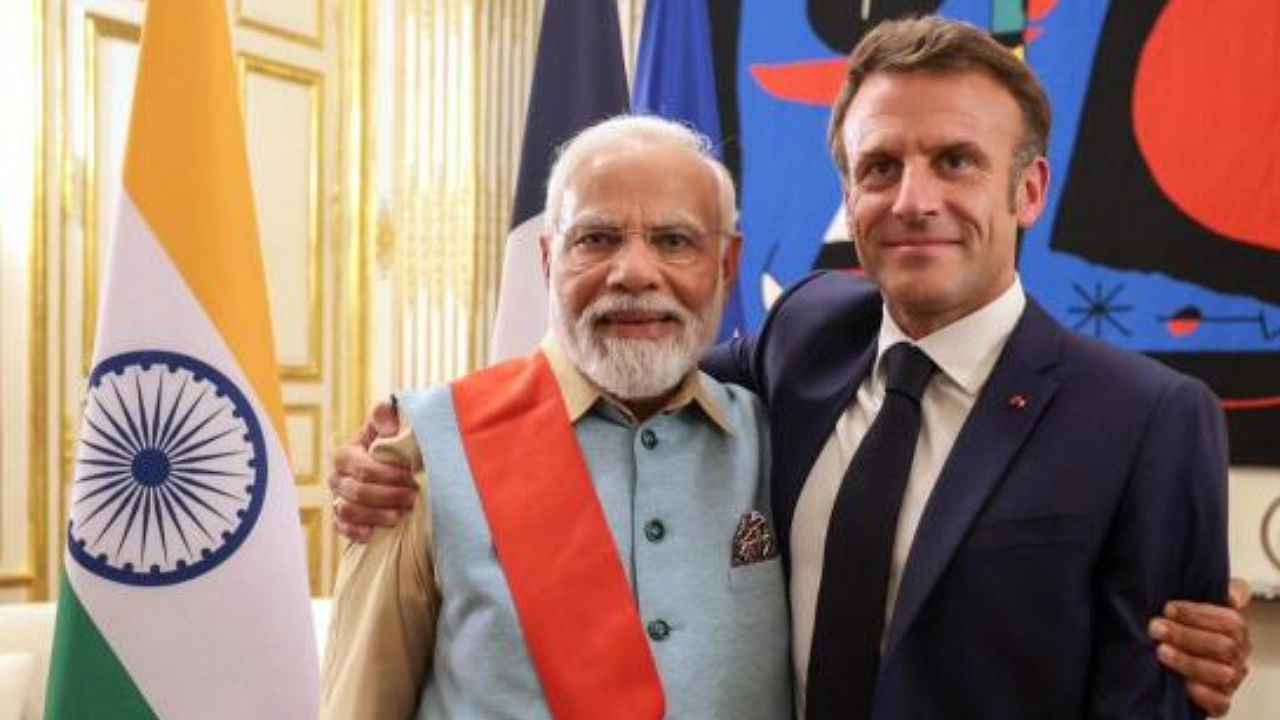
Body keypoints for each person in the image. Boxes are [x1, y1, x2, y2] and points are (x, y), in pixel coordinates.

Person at [328, 16, 1253, 718]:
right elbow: (633, 345)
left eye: (957, 161)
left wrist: (1205, 662)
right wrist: (405, 437)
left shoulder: (1148, 418)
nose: (914, 198)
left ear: (1029, 189)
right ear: (848, 194)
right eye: (880, 166)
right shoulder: (804, 336)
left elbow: (1167, 680)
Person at [321, 116, 791, 719]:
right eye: (596, 239)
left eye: (675, 240)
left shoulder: (779, 441)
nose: (634, 273)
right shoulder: (428, 448)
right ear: (548, 260)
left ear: (726, 266)